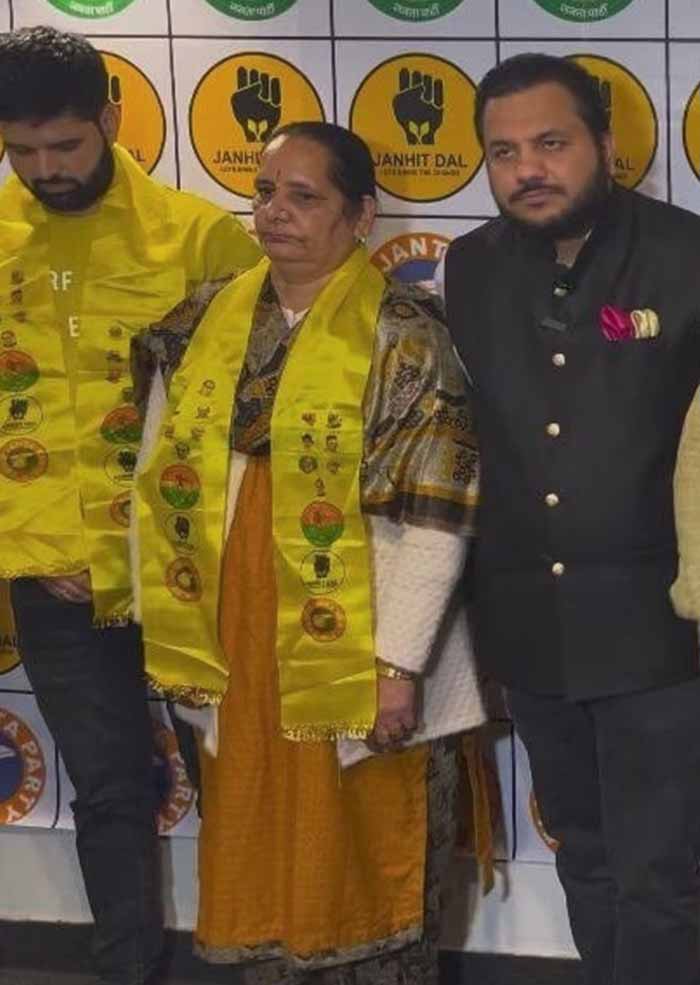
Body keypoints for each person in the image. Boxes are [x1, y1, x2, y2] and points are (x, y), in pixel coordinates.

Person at [131, 121, 484, 984]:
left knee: (367, 851)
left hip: (366, 639)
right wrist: (167, 617)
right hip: (237, 641)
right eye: (264, 192)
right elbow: (155, 473)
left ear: (360, 215)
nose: (275, 212)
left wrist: (397, 663)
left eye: (303, 196)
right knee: (256, 841)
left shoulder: (407, 334)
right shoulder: (203, 319)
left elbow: (434, 518)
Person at [0, 26, 260, 985]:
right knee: (108, 790)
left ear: (111, 119)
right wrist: (42, 551)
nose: (45, 170)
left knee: (236, 778)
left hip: (188, 569)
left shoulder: (200, 236)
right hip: (53, 581)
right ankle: (127, 969)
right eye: (21, 150)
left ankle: (252, 958)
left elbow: (256, 409)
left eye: (64, 145)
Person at [444, 53, 700, 985]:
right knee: (584, 856)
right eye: (504, 152)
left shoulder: (685, 255)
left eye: (551, 143)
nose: (528, 170)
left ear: (606, 142)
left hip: (661, 629)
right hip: (530, 625)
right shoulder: (469, 266)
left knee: (660, 876)